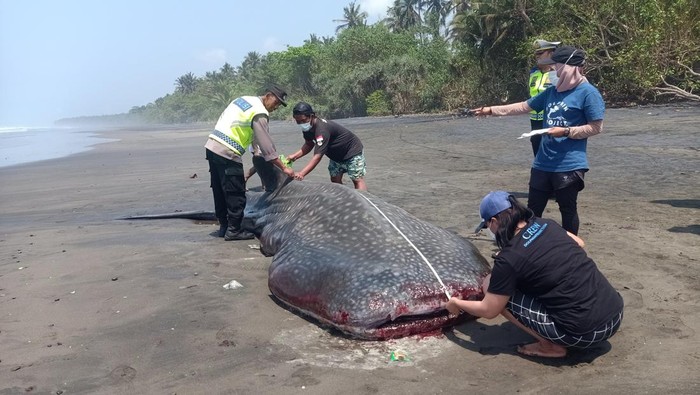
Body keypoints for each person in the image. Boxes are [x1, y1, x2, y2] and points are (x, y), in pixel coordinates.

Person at [445, 191, 623, 358]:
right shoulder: (546, 223)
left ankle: (549, 346)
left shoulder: (509, 259)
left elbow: (489, 310)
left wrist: (456, 303)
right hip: (615, 314)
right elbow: (579, 242)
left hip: (585, 334)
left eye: (487, 226)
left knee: (491, 286)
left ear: (493, 221)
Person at [471, 45, 605, 235]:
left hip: (569, 164)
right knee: (532, 211)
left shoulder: (588, 93)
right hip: (542, 163)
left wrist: (566, 131)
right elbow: (523, 106)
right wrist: (490, 110)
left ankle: (570, 250)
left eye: (556, 66)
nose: (553, 71)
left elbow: (596, 127)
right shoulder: (552, 92)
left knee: (567, 210)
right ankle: (529, 246)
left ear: (570, 67)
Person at [205, 85, 295, 240]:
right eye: (276, 102)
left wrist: (258, 155)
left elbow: (254, 139)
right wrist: (284, 168)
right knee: (235, 192)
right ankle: (234, 231)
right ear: (268, 95)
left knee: (219, 189)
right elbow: (267, 146)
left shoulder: (243, 100)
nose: (276, 107)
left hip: (212, 145)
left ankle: (224, 227)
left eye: (280, 105)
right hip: (228, 151)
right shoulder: (260, 112)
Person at [286, 102, 367, 191]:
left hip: (352, 151)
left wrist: (302, 173)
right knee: (335, 179)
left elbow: (317, 157)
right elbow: (309, 144)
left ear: (311, 116)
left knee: (357, 179)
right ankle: (342, 199)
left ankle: (365, 202)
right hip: (336, 155)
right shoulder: (307, 128)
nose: (301, 123)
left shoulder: (321, 130)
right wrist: (294, 156)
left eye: (303, 120)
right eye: (298, 121)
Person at [528, 39, 560, 156]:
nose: (537, 56)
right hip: (535, 120)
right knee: (536, 144)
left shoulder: (558, 74)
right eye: (536, 53)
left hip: (551, 118)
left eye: (540, 53)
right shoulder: (533, 73)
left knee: (551, 147)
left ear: (551, 54)